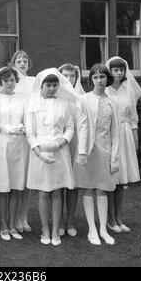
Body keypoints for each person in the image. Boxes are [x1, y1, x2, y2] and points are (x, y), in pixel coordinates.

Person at [26, 68, 83, 246]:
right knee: (43, 192)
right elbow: (29, 132)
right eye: (48, 85)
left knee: (57, 192)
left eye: (54, 85)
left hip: (60, 151)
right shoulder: (32, 104)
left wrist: (60, 143)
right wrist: (39, 152)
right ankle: (45, 229)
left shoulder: (64, 104)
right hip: (40, 152)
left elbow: (70, 127)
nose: (51, 88)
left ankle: (56, 229)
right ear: (41, 86)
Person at [73, 64, 120, 246]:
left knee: (102, 189)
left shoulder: (113, 102)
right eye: (95, 77)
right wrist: (82, 153)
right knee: (87, 188)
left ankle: (102, 229)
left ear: (107, 79)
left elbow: (116, 132)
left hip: (105, 151)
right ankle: (92, 229)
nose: (99, 81)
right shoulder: (83, 99)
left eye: (102, 77)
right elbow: (82, 126)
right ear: (91, 79)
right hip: (88, 151)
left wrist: (114, 157)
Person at [0, 66, 29, 240]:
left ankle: (12, 225)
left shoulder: (23, 99)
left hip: (19, 145)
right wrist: (4, 128)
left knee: (16, 188)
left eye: (12, 80)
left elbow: (27, 120)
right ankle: (3, 224)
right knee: (4, 188)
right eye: (6, 80)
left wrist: (24, 128)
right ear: (0, 81)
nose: (10, 83)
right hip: (1, 144)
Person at [105, 56, 141, 233]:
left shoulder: (129, 91)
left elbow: (134, 118)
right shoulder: (104, 90)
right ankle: (109, 219)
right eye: (115, 70)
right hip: (110, 136)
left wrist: (135, 141)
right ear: (110, 71)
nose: (118, 73)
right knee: (111, 180)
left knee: (121, 181)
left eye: (121, 69)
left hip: (126, 135)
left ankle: (118, 218)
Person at [56, 63, 85, 237]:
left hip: (76, 144)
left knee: (73, 185)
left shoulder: (81, 98)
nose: (68, 78)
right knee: (59, 184)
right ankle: (59, 221)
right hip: (59, 143)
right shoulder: (55, 97)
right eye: (65, 75)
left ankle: (70, 221)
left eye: (72, 75)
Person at [10, 50, 33, 233]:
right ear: (14, 63)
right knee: (16, 179)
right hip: (15, 134)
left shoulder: (33, 82)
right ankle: (14, 217)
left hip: (30, 133)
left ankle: (23, 217)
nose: (22, 62)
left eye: (25, 60)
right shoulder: (11, 81)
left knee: (27, 180)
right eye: (19, 60)